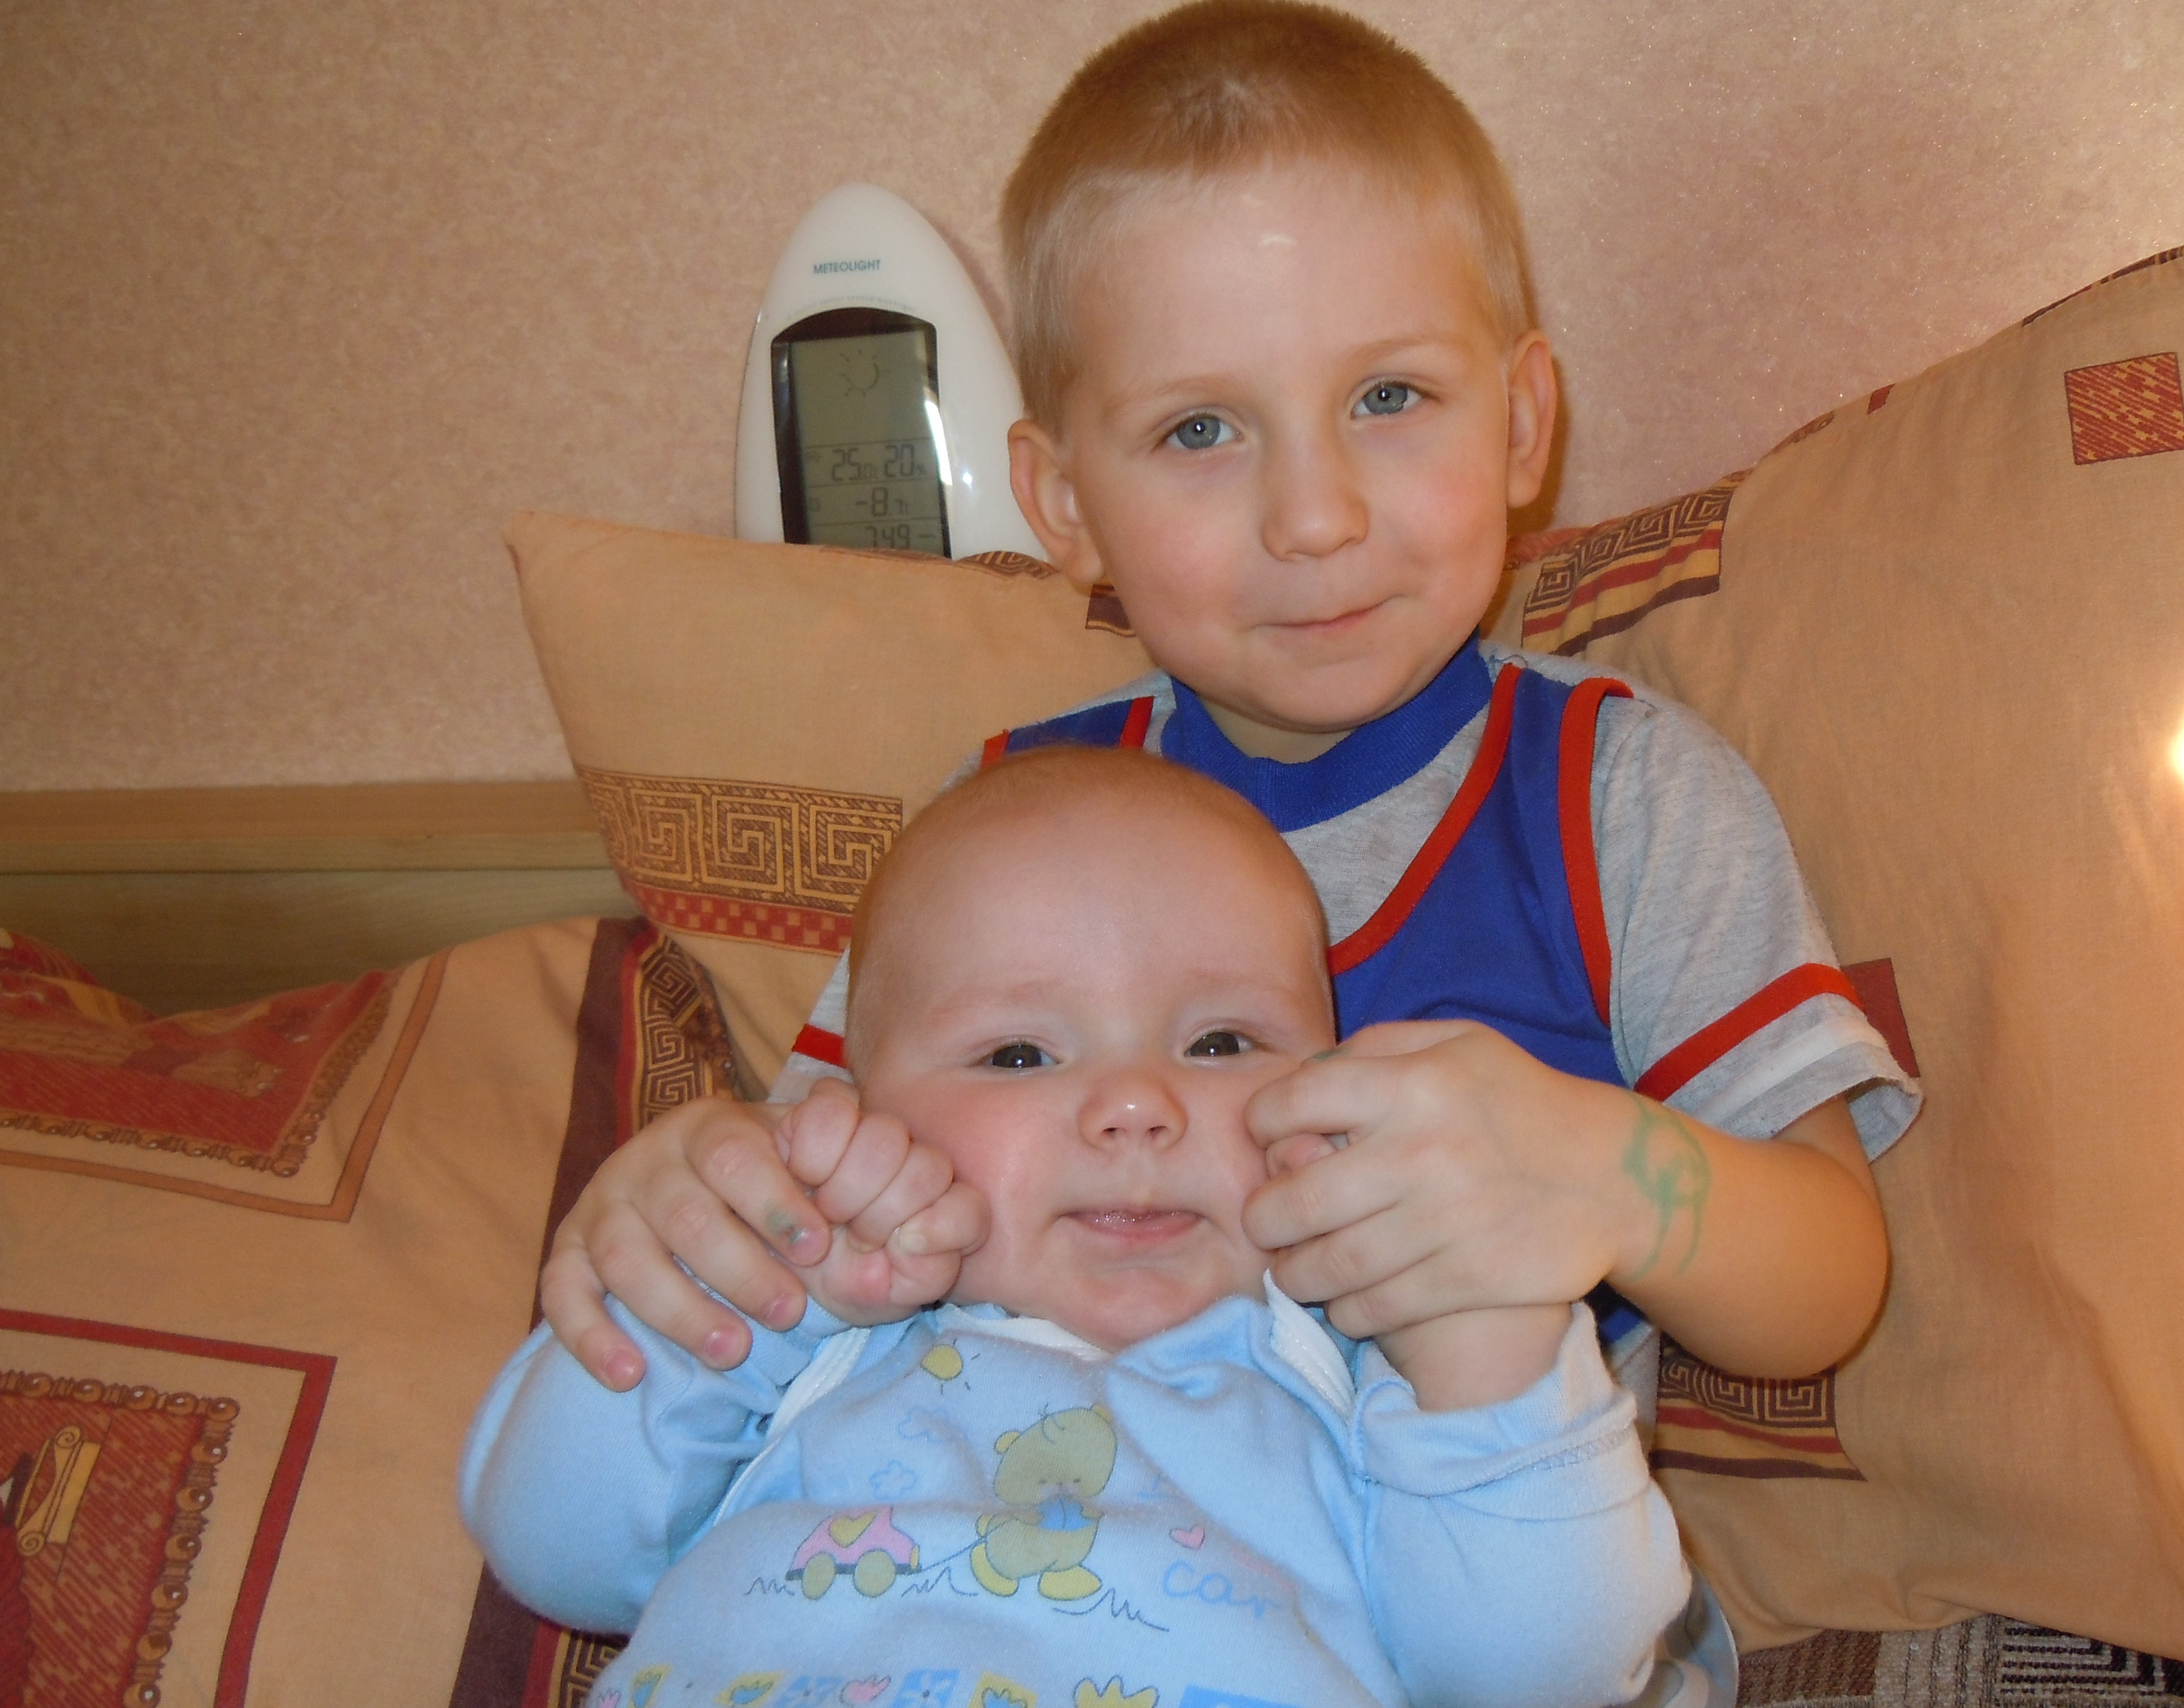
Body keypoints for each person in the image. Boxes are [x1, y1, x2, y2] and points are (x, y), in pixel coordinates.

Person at [539, 0, 1916, 1443]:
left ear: (1521, 425)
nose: (1314, 518)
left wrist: (1606, 1172)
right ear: (1064, 502)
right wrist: (698, 1186)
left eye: (1390, 396)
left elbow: (1827, 1286)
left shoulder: (1620, 797)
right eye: (1200, 430)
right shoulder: (1004, 818)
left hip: (1463, 1556)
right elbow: (813, 1189)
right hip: (1018, 1532)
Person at [462, 746, 1692, 1708]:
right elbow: (557, 1546)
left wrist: (1482, 1341)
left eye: (1222, 1042)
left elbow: (1538, 1671)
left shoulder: (1369, 1369)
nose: (1135, 1106)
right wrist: (761, 1287)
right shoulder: (813, 1343)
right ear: (853, 1107)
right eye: (1018, 1054)